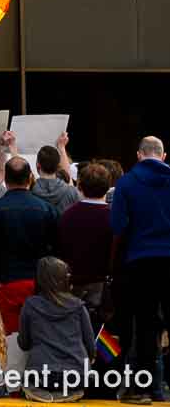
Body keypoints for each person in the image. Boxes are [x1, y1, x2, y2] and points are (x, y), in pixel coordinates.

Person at [111, 136, 170, 406]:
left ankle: (145, 389)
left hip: (141, 260)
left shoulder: (126, 183)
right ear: (163, 155)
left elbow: (118, 226)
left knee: (146, 326)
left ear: (138, 155)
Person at [0, 155, 61, 334]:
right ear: (30, 178)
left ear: (5, 180)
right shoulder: (48, 210)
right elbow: (57, 249)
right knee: (36, 335)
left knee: (5, 337)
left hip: (4, 283)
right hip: (37, 282)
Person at [19, 256, 95, 403]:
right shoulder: (79, 307)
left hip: (42, 375)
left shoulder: (30, 305)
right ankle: (70, 393)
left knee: (28, 381)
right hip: (76, 377)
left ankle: (41, 393)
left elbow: (24, 343)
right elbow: (90, 346)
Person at [58, 161, 115, 318]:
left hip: (73, 285)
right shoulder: (114, 217)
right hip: (104, 286)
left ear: (80, 186)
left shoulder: (67, 216)